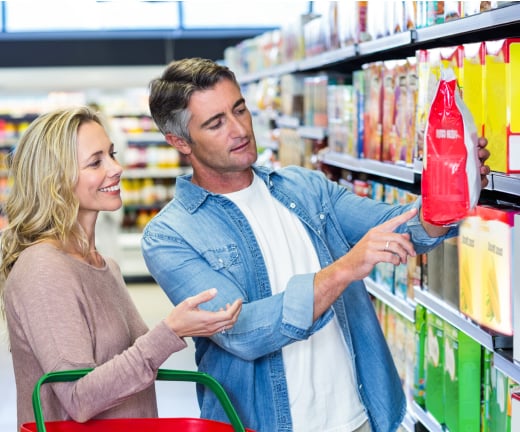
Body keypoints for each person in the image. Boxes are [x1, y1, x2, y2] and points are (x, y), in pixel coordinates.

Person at [142, 57, 491, 432]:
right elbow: (242, 332)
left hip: (358, 417)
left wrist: (452, 187)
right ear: (180, 142)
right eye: (216, 123)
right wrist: (344, 270)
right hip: (265, 424)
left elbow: (404, 229)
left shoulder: (305, 188)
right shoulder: (170, 235)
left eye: (239, 109)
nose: (239, 128)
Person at [0, 106, 242, 430]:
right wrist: (171, 331)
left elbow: (135, 359)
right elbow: (79, 398)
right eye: (96, 161)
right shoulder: (43, 270)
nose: (116, 168)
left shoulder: (104, 265)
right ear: (55, 179)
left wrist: (196, 323)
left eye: (112, 154)